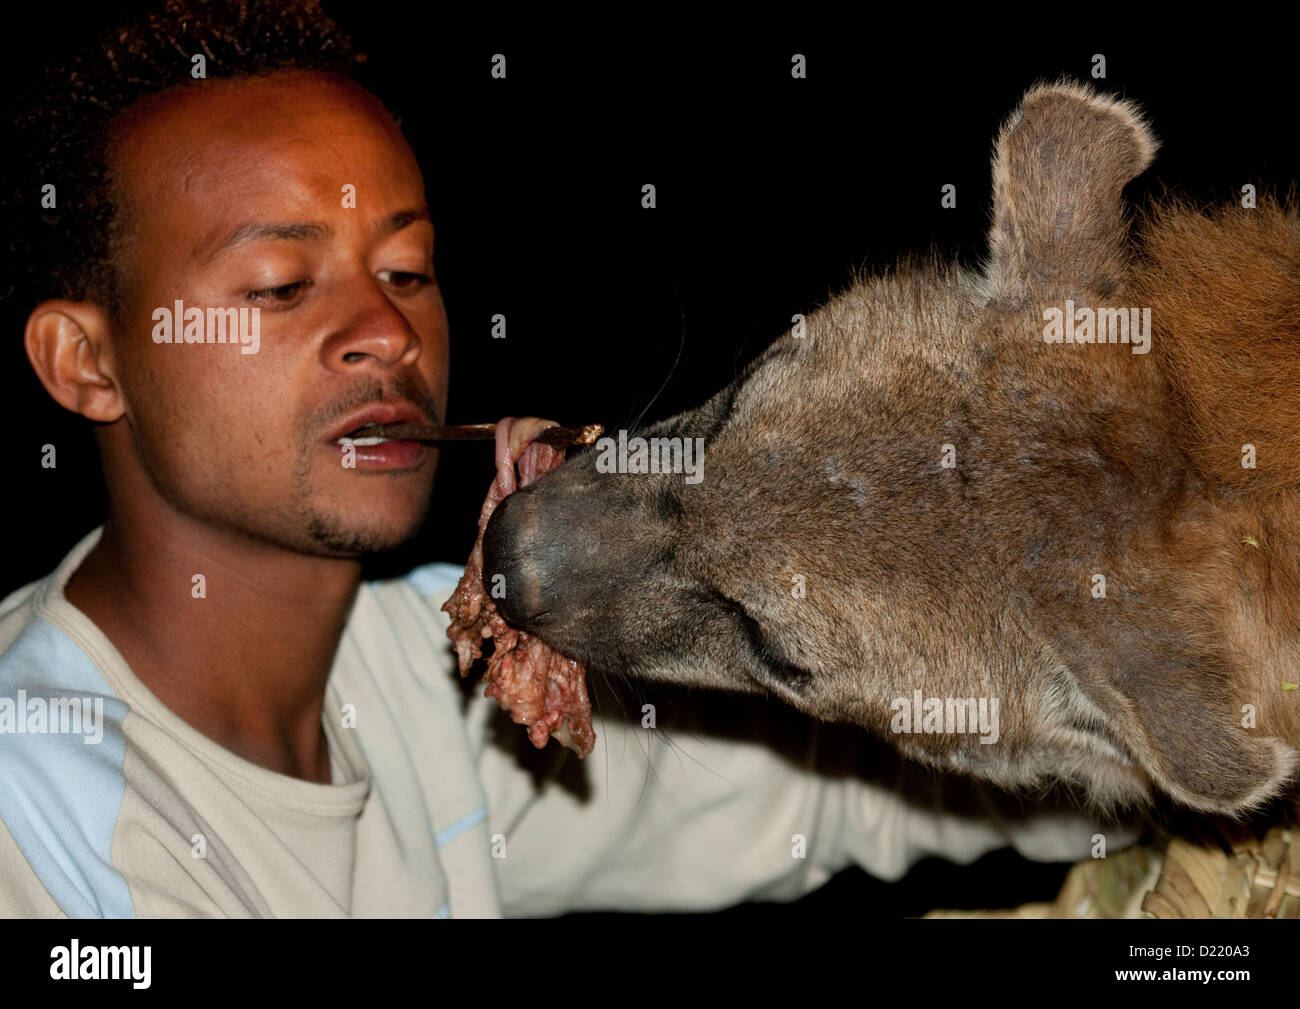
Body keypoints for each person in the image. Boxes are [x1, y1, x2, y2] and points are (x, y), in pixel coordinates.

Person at [0, 0, 1125, 917]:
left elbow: (836, 794)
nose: (388, 334)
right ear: (86, 361)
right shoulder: (36, 813)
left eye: (406, 270)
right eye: (280, 287)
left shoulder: (416, 676)